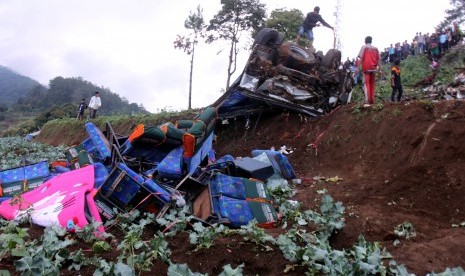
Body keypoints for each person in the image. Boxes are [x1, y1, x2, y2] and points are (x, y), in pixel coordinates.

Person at [358, 36, 380, 104]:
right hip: (373, 69)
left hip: (366, 69)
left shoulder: (364, 47)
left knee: (366, 84)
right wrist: (380, 69)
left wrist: (358, 67)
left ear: (365, 41)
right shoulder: (376, 49)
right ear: (371, 41)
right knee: (372, 84)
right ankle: (372, 100)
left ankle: (367, 101)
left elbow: (360, 57)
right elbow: (379, 59)